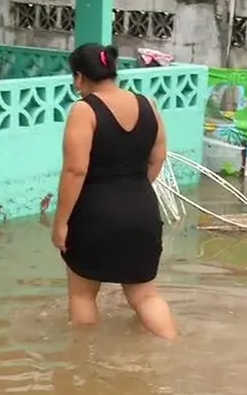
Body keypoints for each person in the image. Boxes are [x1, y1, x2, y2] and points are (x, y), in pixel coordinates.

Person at [51, 43, 178, 340]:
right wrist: (132, 191)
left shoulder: (84, 110)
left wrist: (61, 224)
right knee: (145, 296)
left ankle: (84, 365)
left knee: (82, 295)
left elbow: (75, 171)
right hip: (143, 211)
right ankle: (173, 346)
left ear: (79, 77)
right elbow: (158, 157)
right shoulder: (148, 104)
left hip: (95, 216)